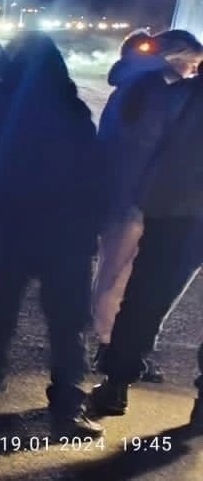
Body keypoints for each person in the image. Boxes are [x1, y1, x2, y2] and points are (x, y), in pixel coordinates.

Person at [0, 31, 105, 437]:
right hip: (67, 233)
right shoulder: (72, 110)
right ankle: (67, 408)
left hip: (12, 228)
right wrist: (91, 220)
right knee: (67, 321)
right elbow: (95, 171)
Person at [90, 57, 203, 430]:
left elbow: (140, 141)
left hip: (177, 211)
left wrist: (134, 196)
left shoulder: (180, 97)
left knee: (145, 300)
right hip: (177, 209)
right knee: (144, 300)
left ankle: (116, 384)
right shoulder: (180, 95)